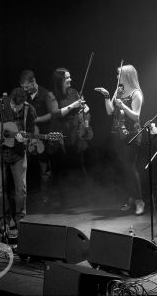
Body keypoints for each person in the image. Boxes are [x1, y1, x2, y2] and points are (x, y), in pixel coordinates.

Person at [0, 87, 37, 232]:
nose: (15, 109)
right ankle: (4, 219)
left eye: (19, 106)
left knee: (20, 189)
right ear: (10, 101)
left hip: (18, 153)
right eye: (13, 106)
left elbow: (31, 133)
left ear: (24, 102)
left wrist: (25, 139)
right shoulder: (2, 104)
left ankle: (20, 219)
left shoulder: (30, 111)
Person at [94, 64, 145, 215]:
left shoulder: (136, 94)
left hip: (131, 134)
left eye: (119, 75)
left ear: (127, 76)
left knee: (130, 166)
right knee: (124, 167)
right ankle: (131, 197)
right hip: (118, 134)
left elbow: (136, 116)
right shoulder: (119, 90)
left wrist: (122, 105)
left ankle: (139, 200)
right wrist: (107, 96)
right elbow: (110, 111)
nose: (117, 77)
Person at [50, 67, 91, 189]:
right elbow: (56, 113)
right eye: (67, 77)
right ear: (60, 80)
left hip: (75, 132)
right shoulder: (52, 95)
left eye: (69, 76)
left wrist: (84, 108)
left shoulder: (74, 92)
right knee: (62, 165)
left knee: (78, 163)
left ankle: (82, 193)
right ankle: (63, 197)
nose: (70, 79)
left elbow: (86, 108)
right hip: (61, 133)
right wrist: (74, 105)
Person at [19, 70, 55, 197]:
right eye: (23, 87)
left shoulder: (46, 94)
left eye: (27, 87)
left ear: (33, 81)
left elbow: (53, 114)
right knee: (21, 166)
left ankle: (46, 198)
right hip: (28, 137)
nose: (25, 90)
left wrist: (38, 119)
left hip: (42, 136)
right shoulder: (24, 96)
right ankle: (23, 197)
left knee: (44, 168)